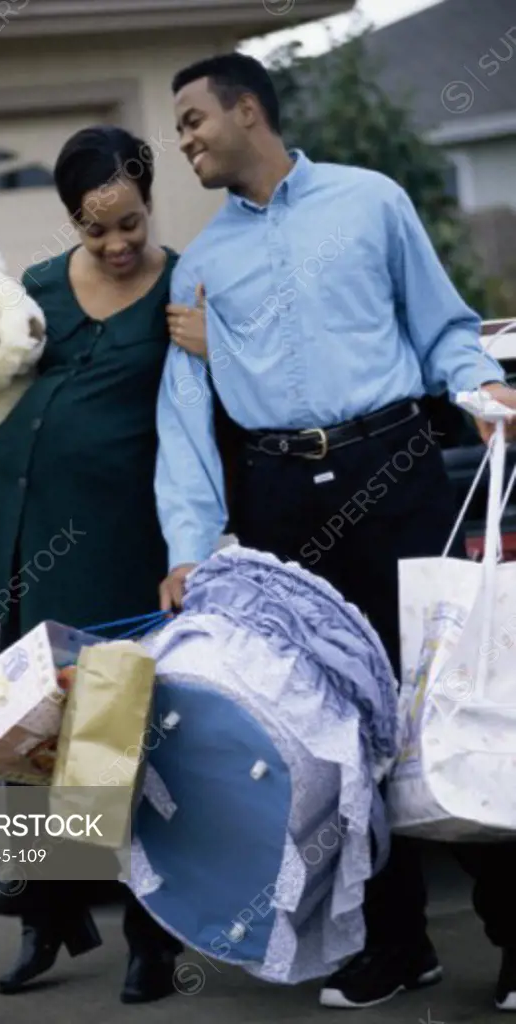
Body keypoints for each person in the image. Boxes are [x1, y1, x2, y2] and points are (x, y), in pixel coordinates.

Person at [154, 52, 516, 1012]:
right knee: (333, 733)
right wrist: (189, 548)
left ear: (246, 111)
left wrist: (479, 389)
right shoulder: (202, 266)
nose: (182, 138)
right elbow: (186, 419)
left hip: (391, 472)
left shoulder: (371, 202)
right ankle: (395, 946)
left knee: (443, 710)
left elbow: (442, 328)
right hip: (278, 505)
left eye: (193, 118)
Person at [0, 124, 205, 1002]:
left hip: (123, 551)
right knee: (28, 746)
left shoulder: (185, 287)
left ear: (150, 203)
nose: (113, 245)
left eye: (128, 224)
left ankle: (149, 938)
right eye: (92, 228)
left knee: (115, 748)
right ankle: (49, 917)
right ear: (70, 220)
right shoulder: (32, 288)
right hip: (27, 541)